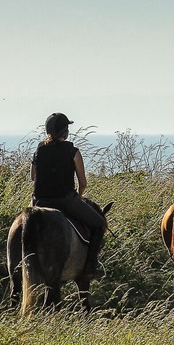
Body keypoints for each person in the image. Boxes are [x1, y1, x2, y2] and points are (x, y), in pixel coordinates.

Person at [30, 112, 106, 279]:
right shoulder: (72, 151)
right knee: (99, 224)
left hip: (40, 202)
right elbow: (83, 183)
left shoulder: (39, 150)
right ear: (65, 132)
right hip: (65, 200)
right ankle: (90, 268)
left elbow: (33, 177)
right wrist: (78, 196)